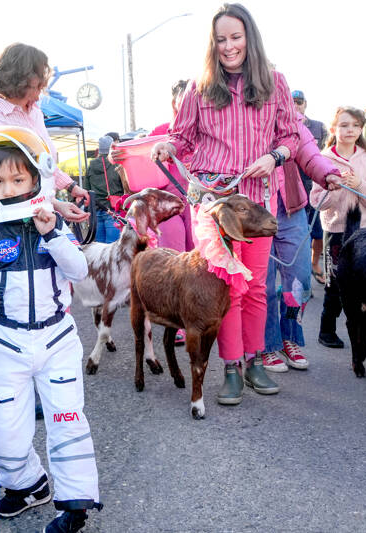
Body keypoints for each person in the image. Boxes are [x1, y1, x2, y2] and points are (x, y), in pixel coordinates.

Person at [0, 127, 101, 533]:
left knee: (67, 420)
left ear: (37, 178)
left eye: (18, 179)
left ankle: (75, 508)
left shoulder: (52, 225)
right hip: (4, 340)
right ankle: (28, 485)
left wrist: (53, 233)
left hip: (56, 338)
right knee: (3, 431)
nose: (7, 188)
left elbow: (79, 270)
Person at [152, 3, 300, 403]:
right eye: (221, 40)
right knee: (226, 292)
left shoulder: (275, 81)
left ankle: (254, 363)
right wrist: (168, 145)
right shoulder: (199, 88)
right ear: (212, 44)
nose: (229, 46)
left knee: (254, 289)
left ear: (249, 38)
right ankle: (231, 368)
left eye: (236, 37)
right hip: (213, 209)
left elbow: (291, 136)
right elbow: (181, 138)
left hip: (253, 207)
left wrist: (274, 157)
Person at [261, 111, 343, 373]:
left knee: (300, 280)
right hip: (253, 211)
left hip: (291, 208)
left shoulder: (291, 120)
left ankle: (289, 338)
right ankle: (267, 345)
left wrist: (327, 173)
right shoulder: (238, 114)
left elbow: (309, 153)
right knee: (262, 286)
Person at [0, 43, 90, 222]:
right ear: (19, 80)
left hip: (42, 212)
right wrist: (52, 205)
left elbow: (43, 165)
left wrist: (69, 187)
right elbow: (9, 187)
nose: (40, 94)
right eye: (37, 86)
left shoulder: (35, 113)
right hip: (17, 221)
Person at [310, 107, 366, 353]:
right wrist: (335, 188)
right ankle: (327, 330)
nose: (350, 130)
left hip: (364, 232)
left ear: (361, 129)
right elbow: (316, 200)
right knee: (336, 282)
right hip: (336, 230)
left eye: (355, 125)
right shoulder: (322, 159)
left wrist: (359, 184)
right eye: (344, 125)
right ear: (334, 129)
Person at [148, 79, 194, 254]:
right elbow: (134, 152)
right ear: (174, 102)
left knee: (197, 256)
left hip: (196, 202)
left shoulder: (203, 131)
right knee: (173, 257)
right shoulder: (161, 130)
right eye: (183, 100)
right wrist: (115, 156)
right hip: (166, 203)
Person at [291, 90, 328, 285]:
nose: (296, 105)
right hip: (293, 187)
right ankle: (300, 271)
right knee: (299, 232)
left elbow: (322, 154)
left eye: (299, 102)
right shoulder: (284, 125)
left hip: (315, 184)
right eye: (292, 102)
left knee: (318, 231)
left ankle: (314, 263)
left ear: (305, 104)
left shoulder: (319, 127)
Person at [84, 135, 129, 243]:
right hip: (112, 210)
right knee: (112, 248)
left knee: (99, 248)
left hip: (96, 211)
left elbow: (86, 190)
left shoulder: (90, 167)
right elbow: (125, 187)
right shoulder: (116, 164)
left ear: (99, 149)